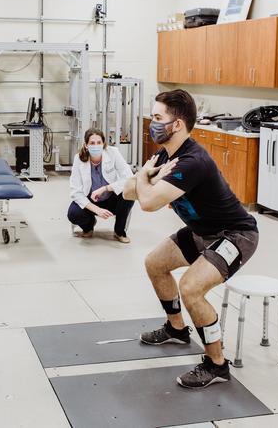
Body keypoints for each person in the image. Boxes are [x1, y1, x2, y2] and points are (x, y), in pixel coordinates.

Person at [123, 89, 259, 388]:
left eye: (158, 118)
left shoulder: (191, 162)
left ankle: (216, 364)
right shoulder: (164, 154)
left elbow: (146, 202)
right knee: (155, 263)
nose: (152, 123)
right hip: (201, 232)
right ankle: (176, 329)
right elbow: (130, 191)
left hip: (235, 235)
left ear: (177, 125)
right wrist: (145, 180)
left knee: (191, 288)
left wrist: (145, 177)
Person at [68, 128, 135, 243]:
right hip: (91, 200)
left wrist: (106, 188)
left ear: (103, 144)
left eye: (99, 142)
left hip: (111, 198)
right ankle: (88, 226)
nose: (96, 146)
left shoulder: (113, 153)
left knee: (129, 192)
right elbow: (76, 191)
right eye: (92, 143)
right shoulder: (79, 159)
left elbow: (129, 178)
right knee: (73, 214)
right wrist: (97, 209)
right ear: (86, 145)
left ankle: (119, 231)